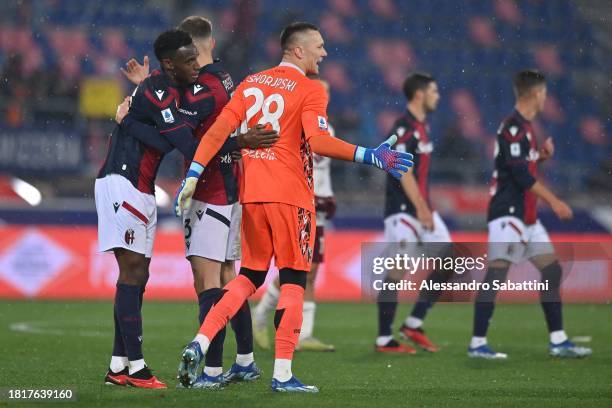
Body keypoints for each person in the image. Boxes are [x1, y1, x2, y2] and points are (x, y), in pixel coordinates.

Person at [173, 21, 413, 393]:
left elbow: (218, 131)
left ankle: (200, 342)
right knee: (294, 281)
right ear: (297, 50)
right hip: (292, 198)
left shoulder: (251, 82)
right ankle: (283, 374)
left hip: (252, 196)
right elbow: (317, 141)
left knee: (248, 277)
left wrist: (192, 174)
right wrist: (371, 156)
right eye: (319, 46)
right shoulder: (310, 89)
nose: (324, 52)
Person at [118, 17, 278, 388]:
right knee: (227, 277)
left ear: (191, 48)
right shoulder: (223, 77)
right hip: (231, 187)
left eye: (183, 55)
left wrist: (143, 96)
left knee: (208, 281)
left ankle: (211, 371)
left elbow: (179, 129)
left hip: (211, 190)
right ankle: (245, 360)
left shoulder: (203, 88)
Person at [96, 28, 201, 389]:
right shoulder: (159, 91)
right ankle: (138, 368)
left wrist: (130, 114)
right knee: (132, 271)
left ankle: (117, 366)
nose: (197, 65)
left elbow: (165, 141)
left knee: (137, 276)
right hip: (122, 180)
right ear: (170, 64)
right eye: (189, 60)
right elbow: (182, 142)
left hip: (139, 185)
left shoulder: (157, 87)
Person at [468, 69, 592, 359]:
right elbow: (521, 176)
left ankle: (558, 340)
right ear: (536, 94)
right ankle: (477, 343)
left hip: (527, 216)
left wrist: (541, 158)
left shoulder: (525, 130)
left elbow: (525, 167)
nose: (546, 99)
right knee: (497, 273)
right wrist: (555, 201)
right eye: (545, 93)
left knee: (551, 269)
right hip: (508, 215)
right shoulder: (513, 128)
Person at [252, 75, 336, 353]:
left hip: (319, 208)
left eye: (326, 93)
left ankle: (303, 332)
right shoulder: (295, 124)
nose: (323, 97)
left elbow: (322, 170)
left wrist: (328, 196)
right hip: (300, 204)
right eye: (319, 91)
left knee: (311, 270)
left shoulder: (327, 128)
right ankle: (263, 314)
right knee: (299, 267)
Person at [375, 72, 450, 354]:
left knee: (449, 260)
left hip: (421, 207)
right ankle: (384, 339)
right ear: (419, 94)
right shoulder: (403, 127)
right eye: (434, 91)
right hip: (403, 210)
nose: (437, 96)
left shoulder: (422, 127)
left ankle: (413, 323)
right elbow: (401, 167)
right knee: (397, 270)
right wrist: (421, 207)